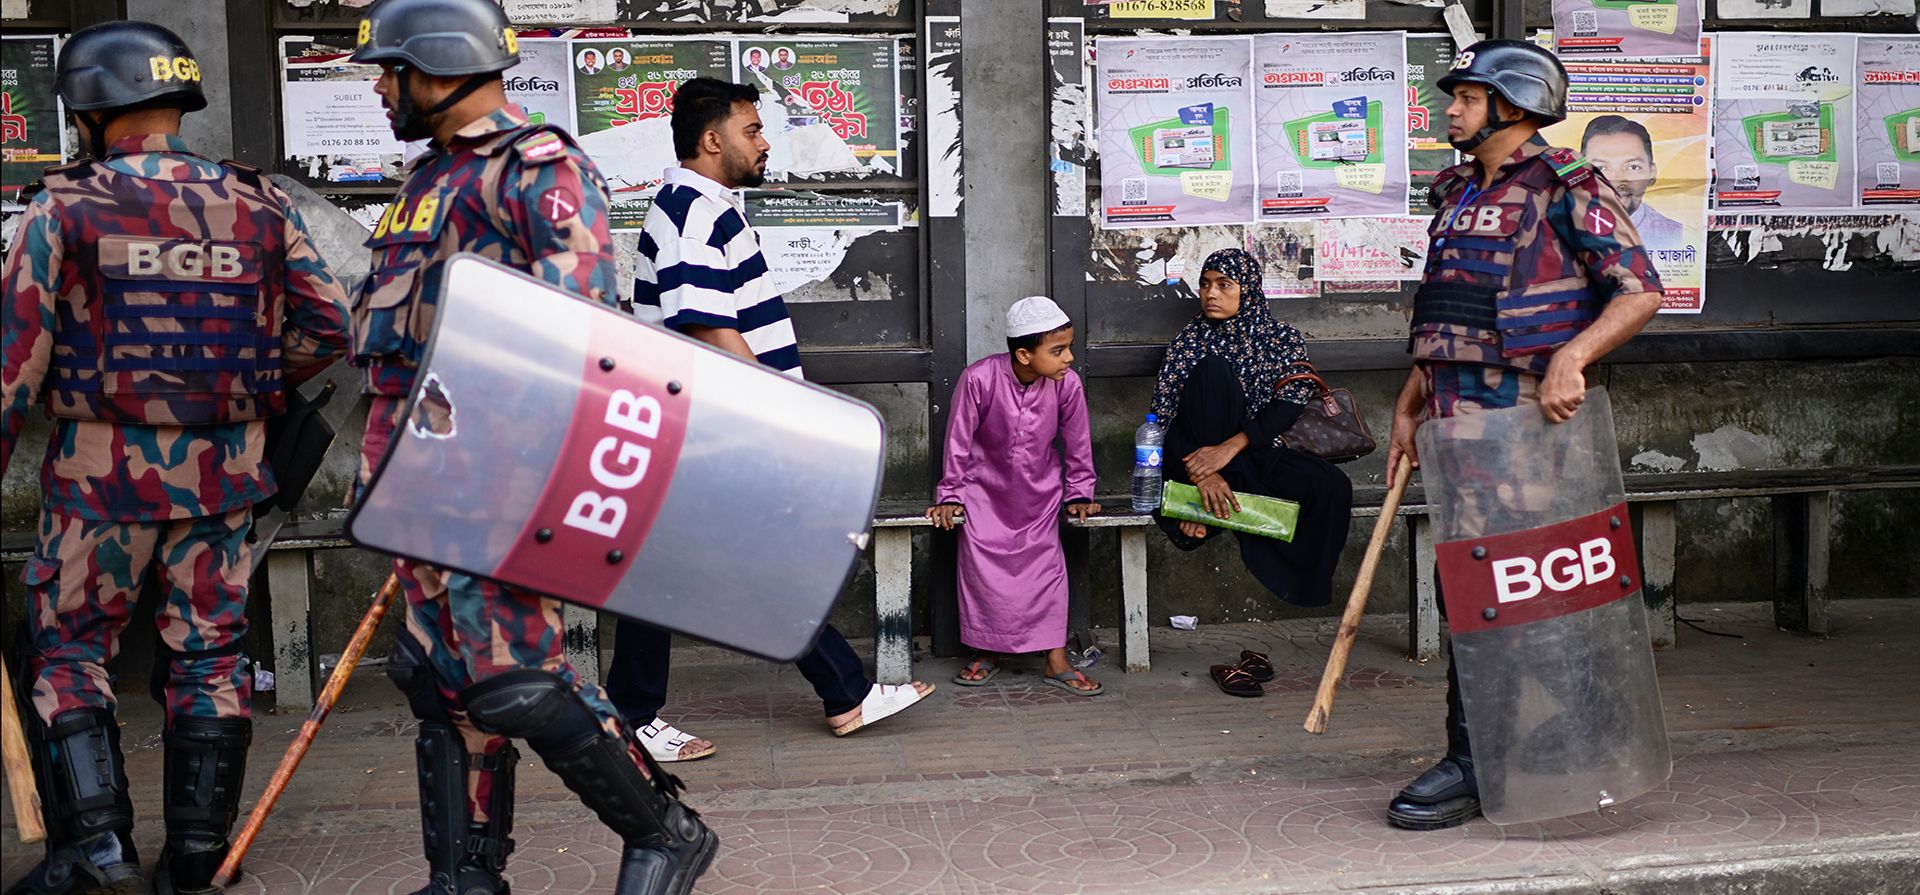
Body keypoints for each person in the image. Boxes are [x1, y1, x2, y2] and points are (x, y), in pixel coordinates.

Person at [346, 2, 715, 894]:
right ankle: (465, 873)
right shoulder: (432, 177)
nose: (380, 87)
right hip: (420, 487)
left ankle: (665, 831)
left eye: (389, 69)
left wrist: (537, 493)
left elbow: (584, 346)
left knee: (513, 678)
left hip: (495, 484)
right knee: (438, 677)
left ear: (438, 65)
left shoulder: (539, 171)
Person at [1, 21, 351, 895]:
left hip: (99, 480)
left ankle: (96, 851)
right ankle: (198, 857)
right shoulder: (261, 204)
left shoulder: (63, 207)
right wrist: (241, 386)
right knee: (210, 654)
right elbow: (329, 327)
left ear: (89, 108)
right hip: (225, 474)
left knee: (68, 650)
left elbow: (14, 365)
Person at [608, 77, 936, 759]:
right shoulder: (693, 210)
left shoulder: (704, 206)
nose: (764, 144)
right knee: (723, 560)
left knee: (718, 561)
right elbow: (705, 324)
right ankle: (640, 715)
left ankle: (840, 693)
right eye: (752, 130)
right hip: (714, 425)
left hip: (709, 424)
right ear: (712, 139)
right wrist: (772, 412)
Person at [1385, 40, 1662, 831]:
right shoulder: (1456, 192)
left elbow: (1640, 290)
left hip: (1527, 432)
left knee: (1519, 588)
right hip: (1454, 428)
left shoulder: (1568, 186)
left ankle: (1486, 757)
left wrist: (1573, 357)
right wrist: (1408, 405)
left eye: (1467, 97)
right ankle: (1535, 735)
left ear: (1513, 105)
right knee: (1474, 587)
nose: (1450, 109)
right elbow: (1448, 317)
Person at [1146, 249, 1354, 616]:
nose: (1211, 293)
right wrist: (1206, 473)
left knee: (1331, 485)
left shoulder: (1281, 338)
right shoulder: (1189, 342)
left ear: (1249, 289)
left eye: (1224, 285)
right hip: (1192, 453)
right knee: (1213, 372)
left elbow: (1289, 403)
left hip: (1254, 450)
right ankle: (1209, 494)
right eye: (1205, 284)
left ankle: (1298, 581)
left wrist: (1230, 449)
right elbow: (1164, 420)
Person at [927, 296, 1103, 695]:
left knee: (1048, 571)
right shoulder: (978, 378)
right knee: (981, 571)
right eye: (1057, 350)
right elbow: (958, 440)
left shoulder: (1067, 385)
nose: (1069, 358)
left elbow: (1078, 443)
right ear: (1024, 355)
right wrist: (951, 494)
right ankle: (986, 650)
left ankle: (1055, 658)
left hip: (1041, 495)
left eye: (1069, 347)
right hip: (983, 494)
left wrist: (1079, 492)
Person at [1581, 115, 1685, 252]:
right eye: (1601, 168)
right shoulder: (1559, 233)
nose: (1617, 179)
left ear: (1652, 172)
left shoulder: (1678, 237)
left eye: (1633, 167)